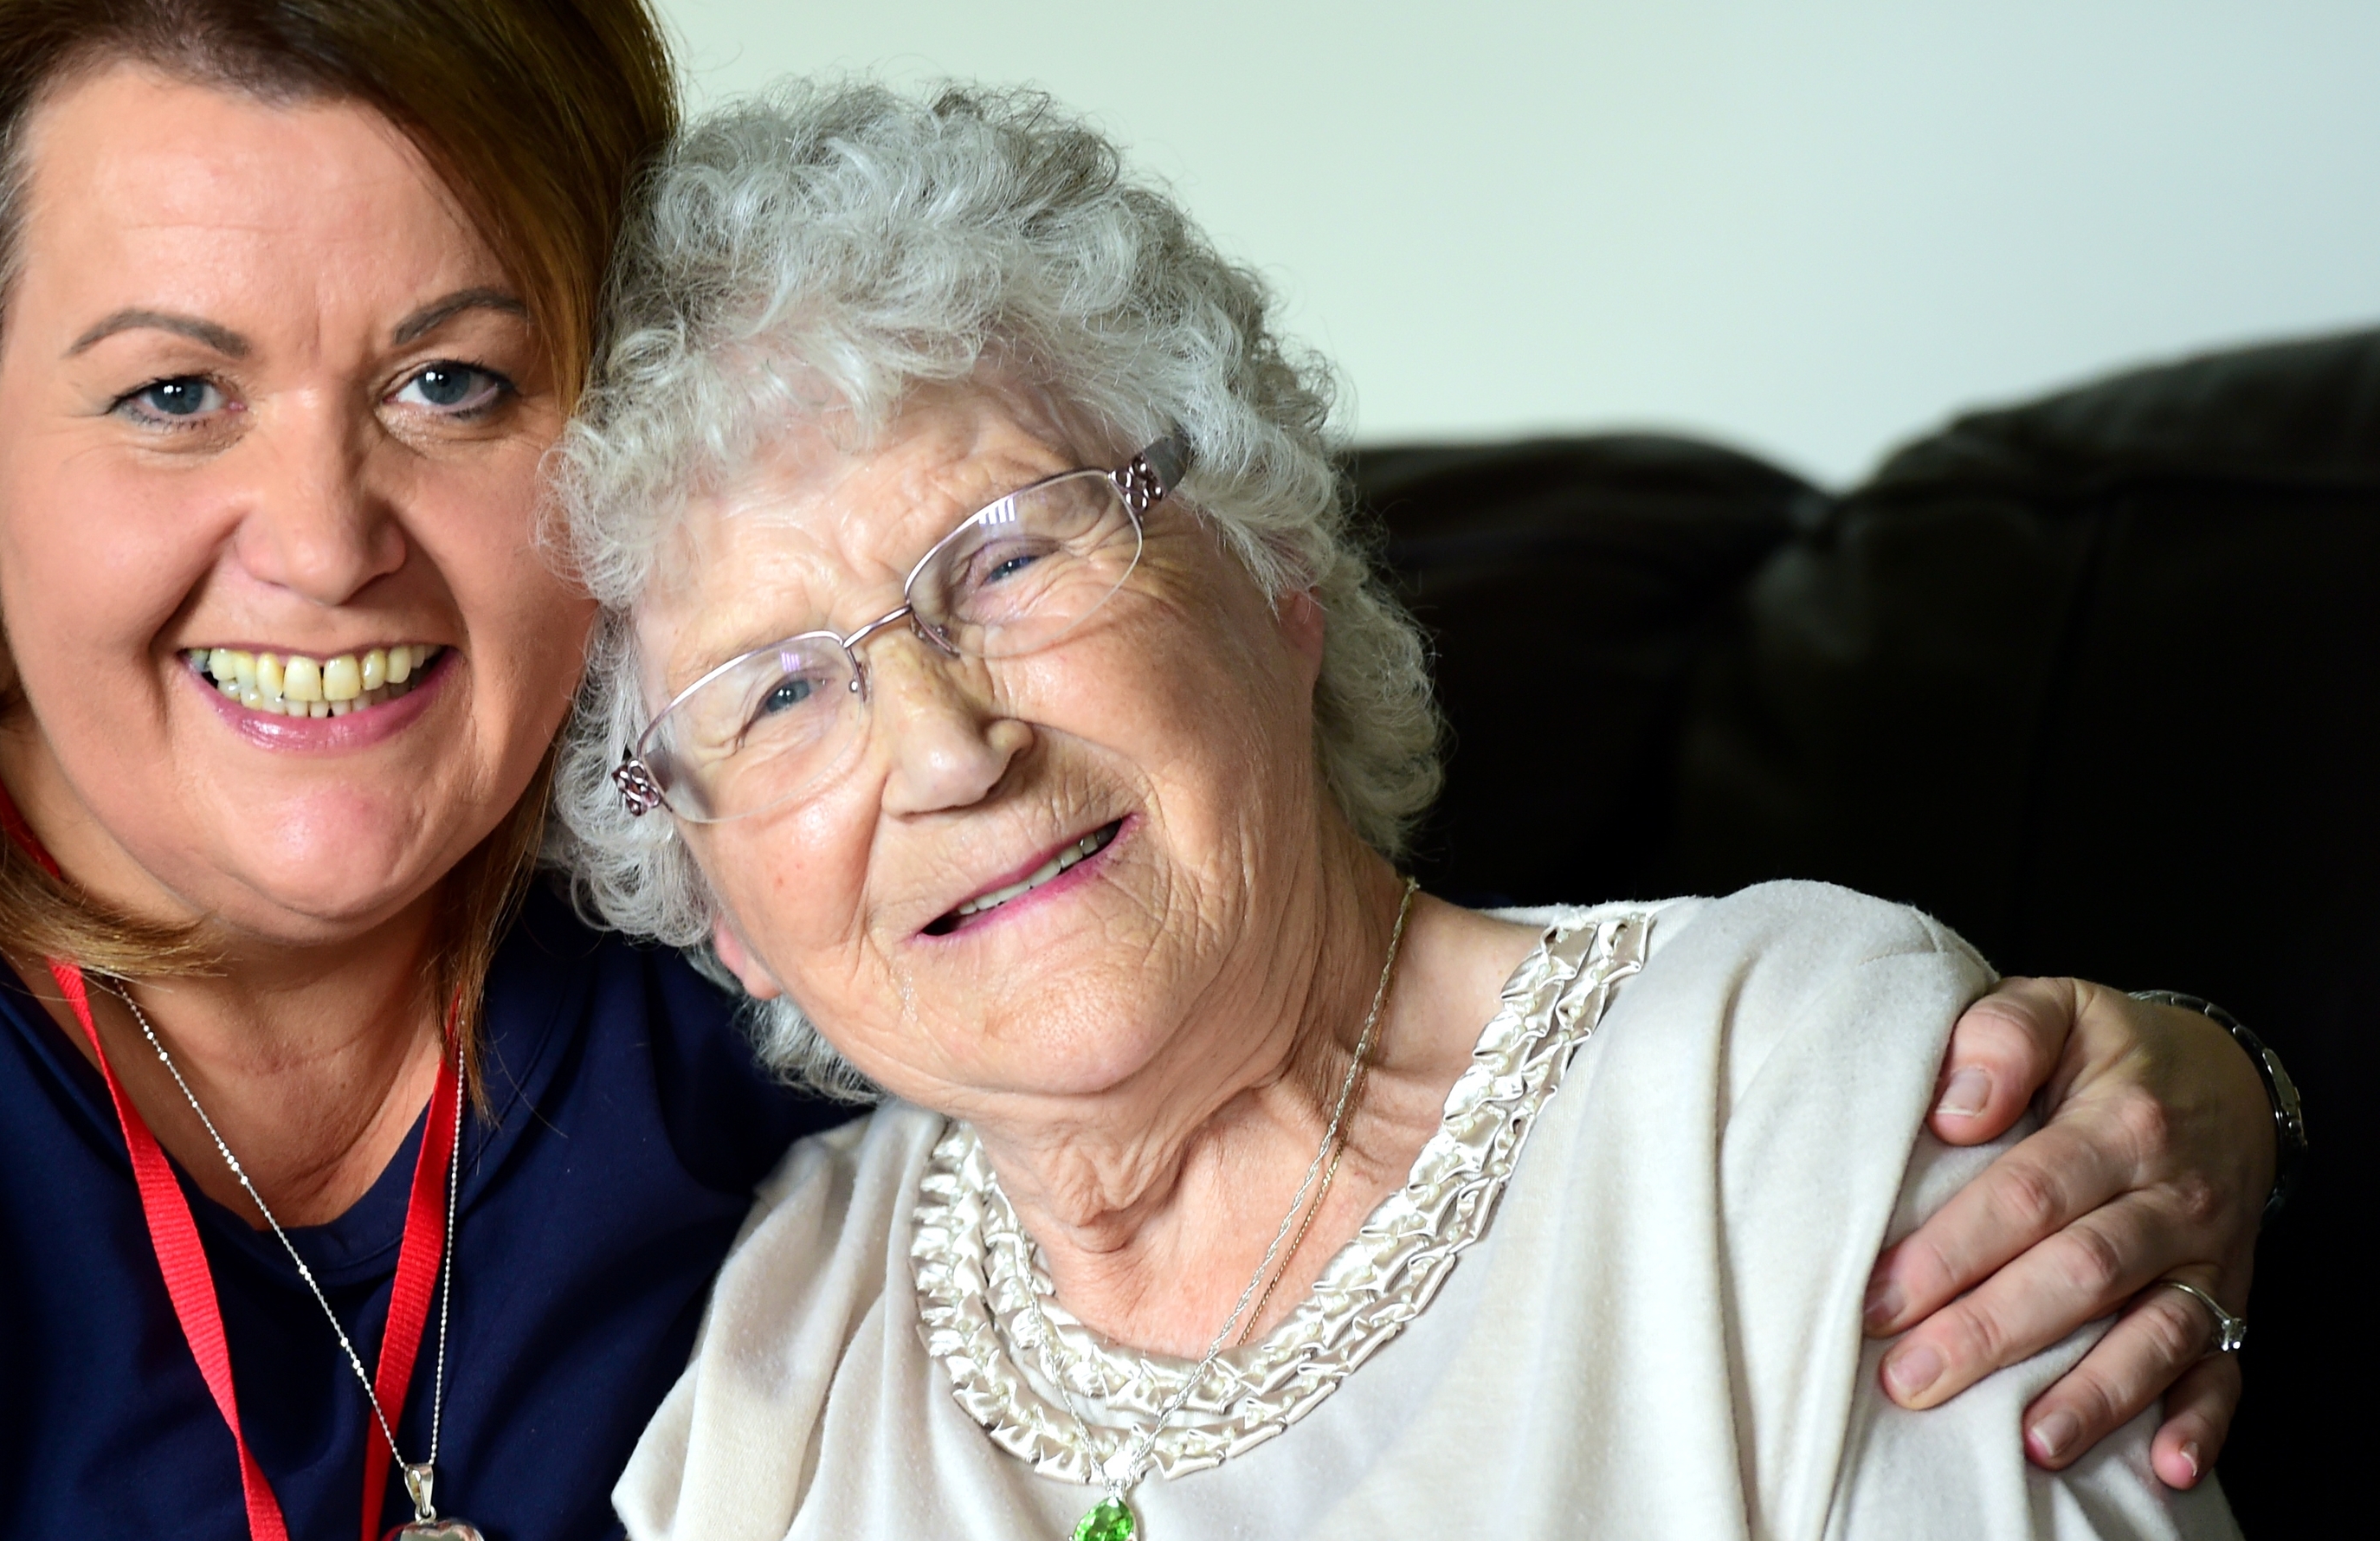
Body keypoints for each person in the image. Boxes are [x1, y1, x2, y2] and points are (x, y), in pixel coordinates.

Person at [0, 0, 2278, 1541]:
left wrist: (2198, 1086)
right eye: (172, 391)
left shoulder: (716, 915)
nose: (321, 539)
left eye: (458, 379)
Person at [551, 83, 2262, 1538]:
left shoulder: (1796, 1098)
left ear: (1272, 566)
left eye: (1004, 555)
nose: (942, 748)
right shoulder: (783, 1341)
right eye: (774, 692)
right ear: (711, 902)